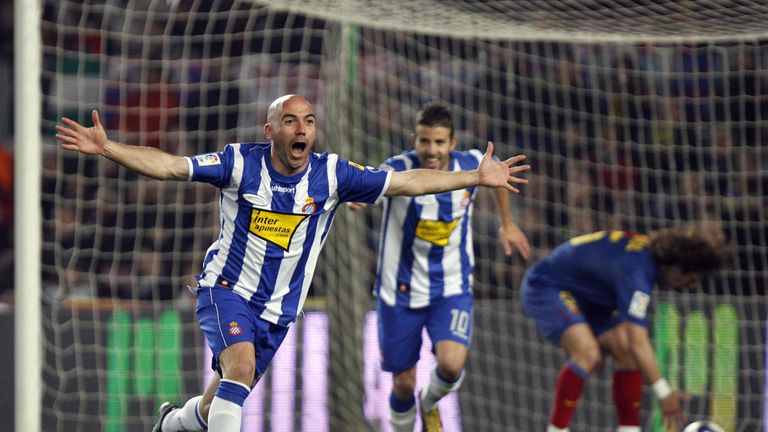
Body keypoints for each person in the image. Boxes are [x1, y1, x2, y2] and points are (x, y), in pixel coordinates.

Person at [54, 94, 531, 432]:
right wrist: (108, 148)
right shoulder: (239, 163)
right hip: (225, 289)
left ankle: (173, 423)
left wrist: (473, 176)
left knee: (217, 400)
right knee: (238, 371)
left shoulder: (331, 174)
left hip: (279, 312)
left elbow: (406, 183)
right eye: (289, 120)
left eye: (307, 121)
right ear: (270, 130)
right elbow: (171, 166)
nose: (301, 128)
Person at [350, 102, 530, 432]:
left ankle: (431, 402)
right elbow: (371, 186)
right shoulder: (398, 168)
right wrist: (359, 195)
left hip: (451, 288)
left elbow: (495, 180)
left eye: (438, 142)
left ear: (453, 143)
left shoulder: (473, 165)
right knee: (403, 384)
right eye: (424, 141)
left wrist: (507, 222)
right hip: (398, 292)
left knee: (450, 364)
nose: (431, 150)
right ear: (414, 140)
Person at [519, 226, 730, 432]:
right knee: (588, 352)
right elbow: (637, 342)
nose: (690, 286)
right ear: (677, 264)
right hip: (548, 286)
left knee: (626, 354)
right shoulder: (637, 272)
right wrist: (664, 393)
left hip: (590, 297)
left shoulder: (643, 256)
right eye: (691, 279)